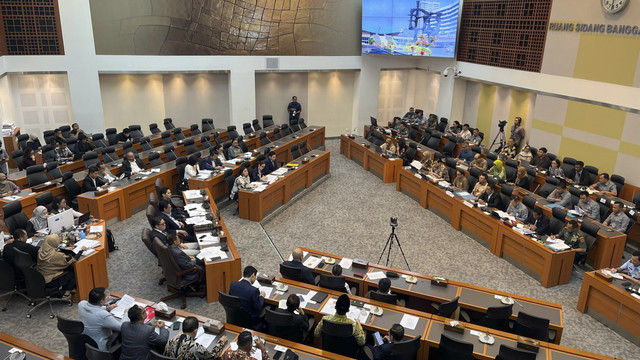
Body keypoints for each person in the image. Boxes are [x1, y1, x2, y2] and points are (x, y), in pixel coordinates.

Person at [37, 234, 85, 299]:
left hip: (42, 276)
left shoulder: (40, 250)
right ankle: (67, 292)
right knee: (74, 270)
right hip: (51, 280)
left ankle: (72, 288)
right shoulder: (55, 255)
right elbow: (73, 260)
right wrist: (81, 250)